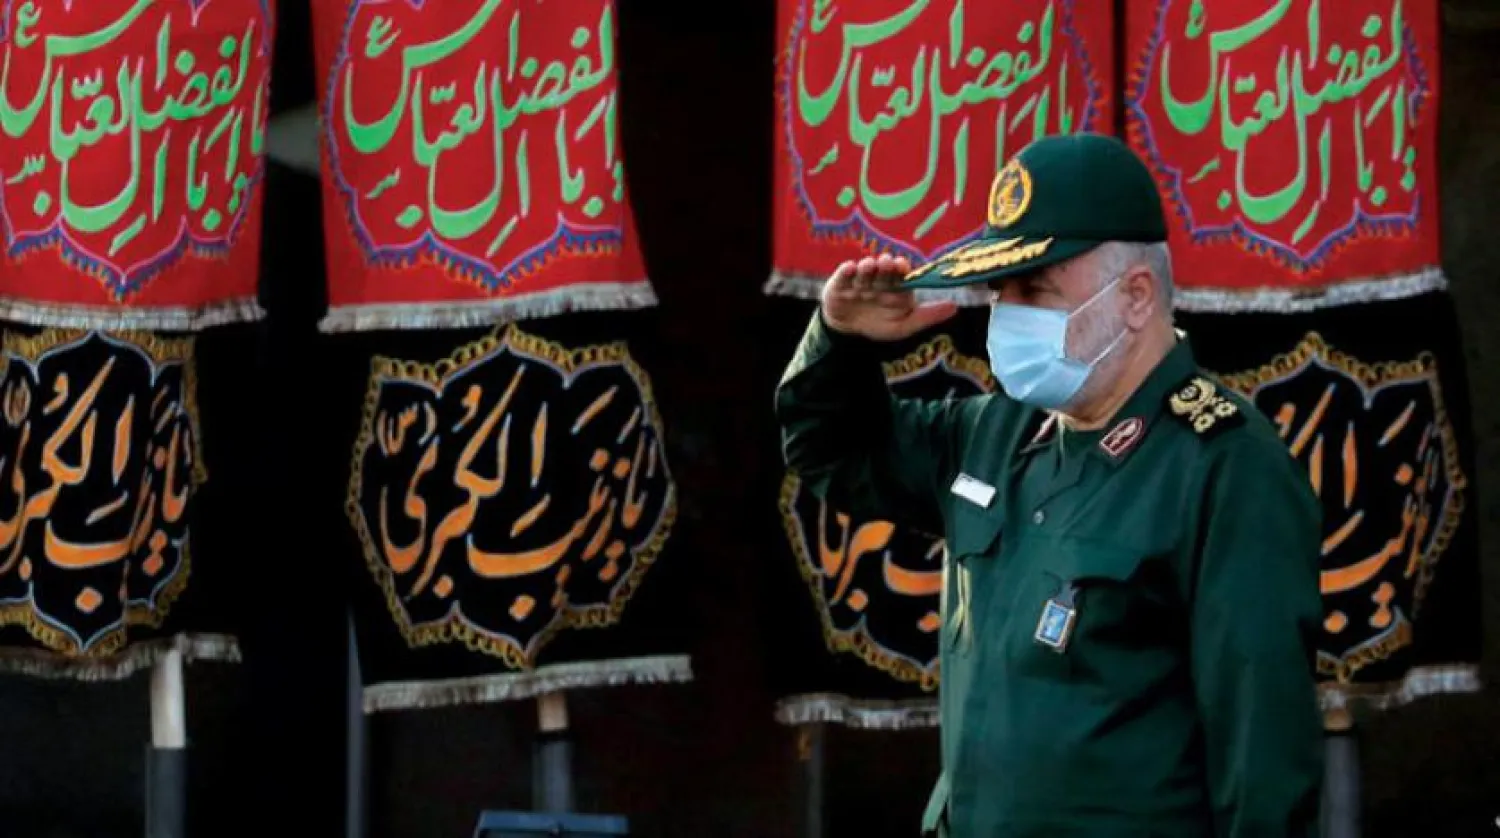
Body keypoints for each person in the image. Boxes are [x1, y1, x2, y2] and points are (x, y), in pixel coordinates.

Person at [774, 133, 1326, 837]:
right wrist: (839, 338)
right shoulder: (995, 433)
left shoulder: (1223, 463)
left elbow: (1262, 747)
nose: (1009, 313)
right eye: (1001, 289)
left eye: (1035, 289)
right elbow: (829, 453)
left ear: (1134, 296)